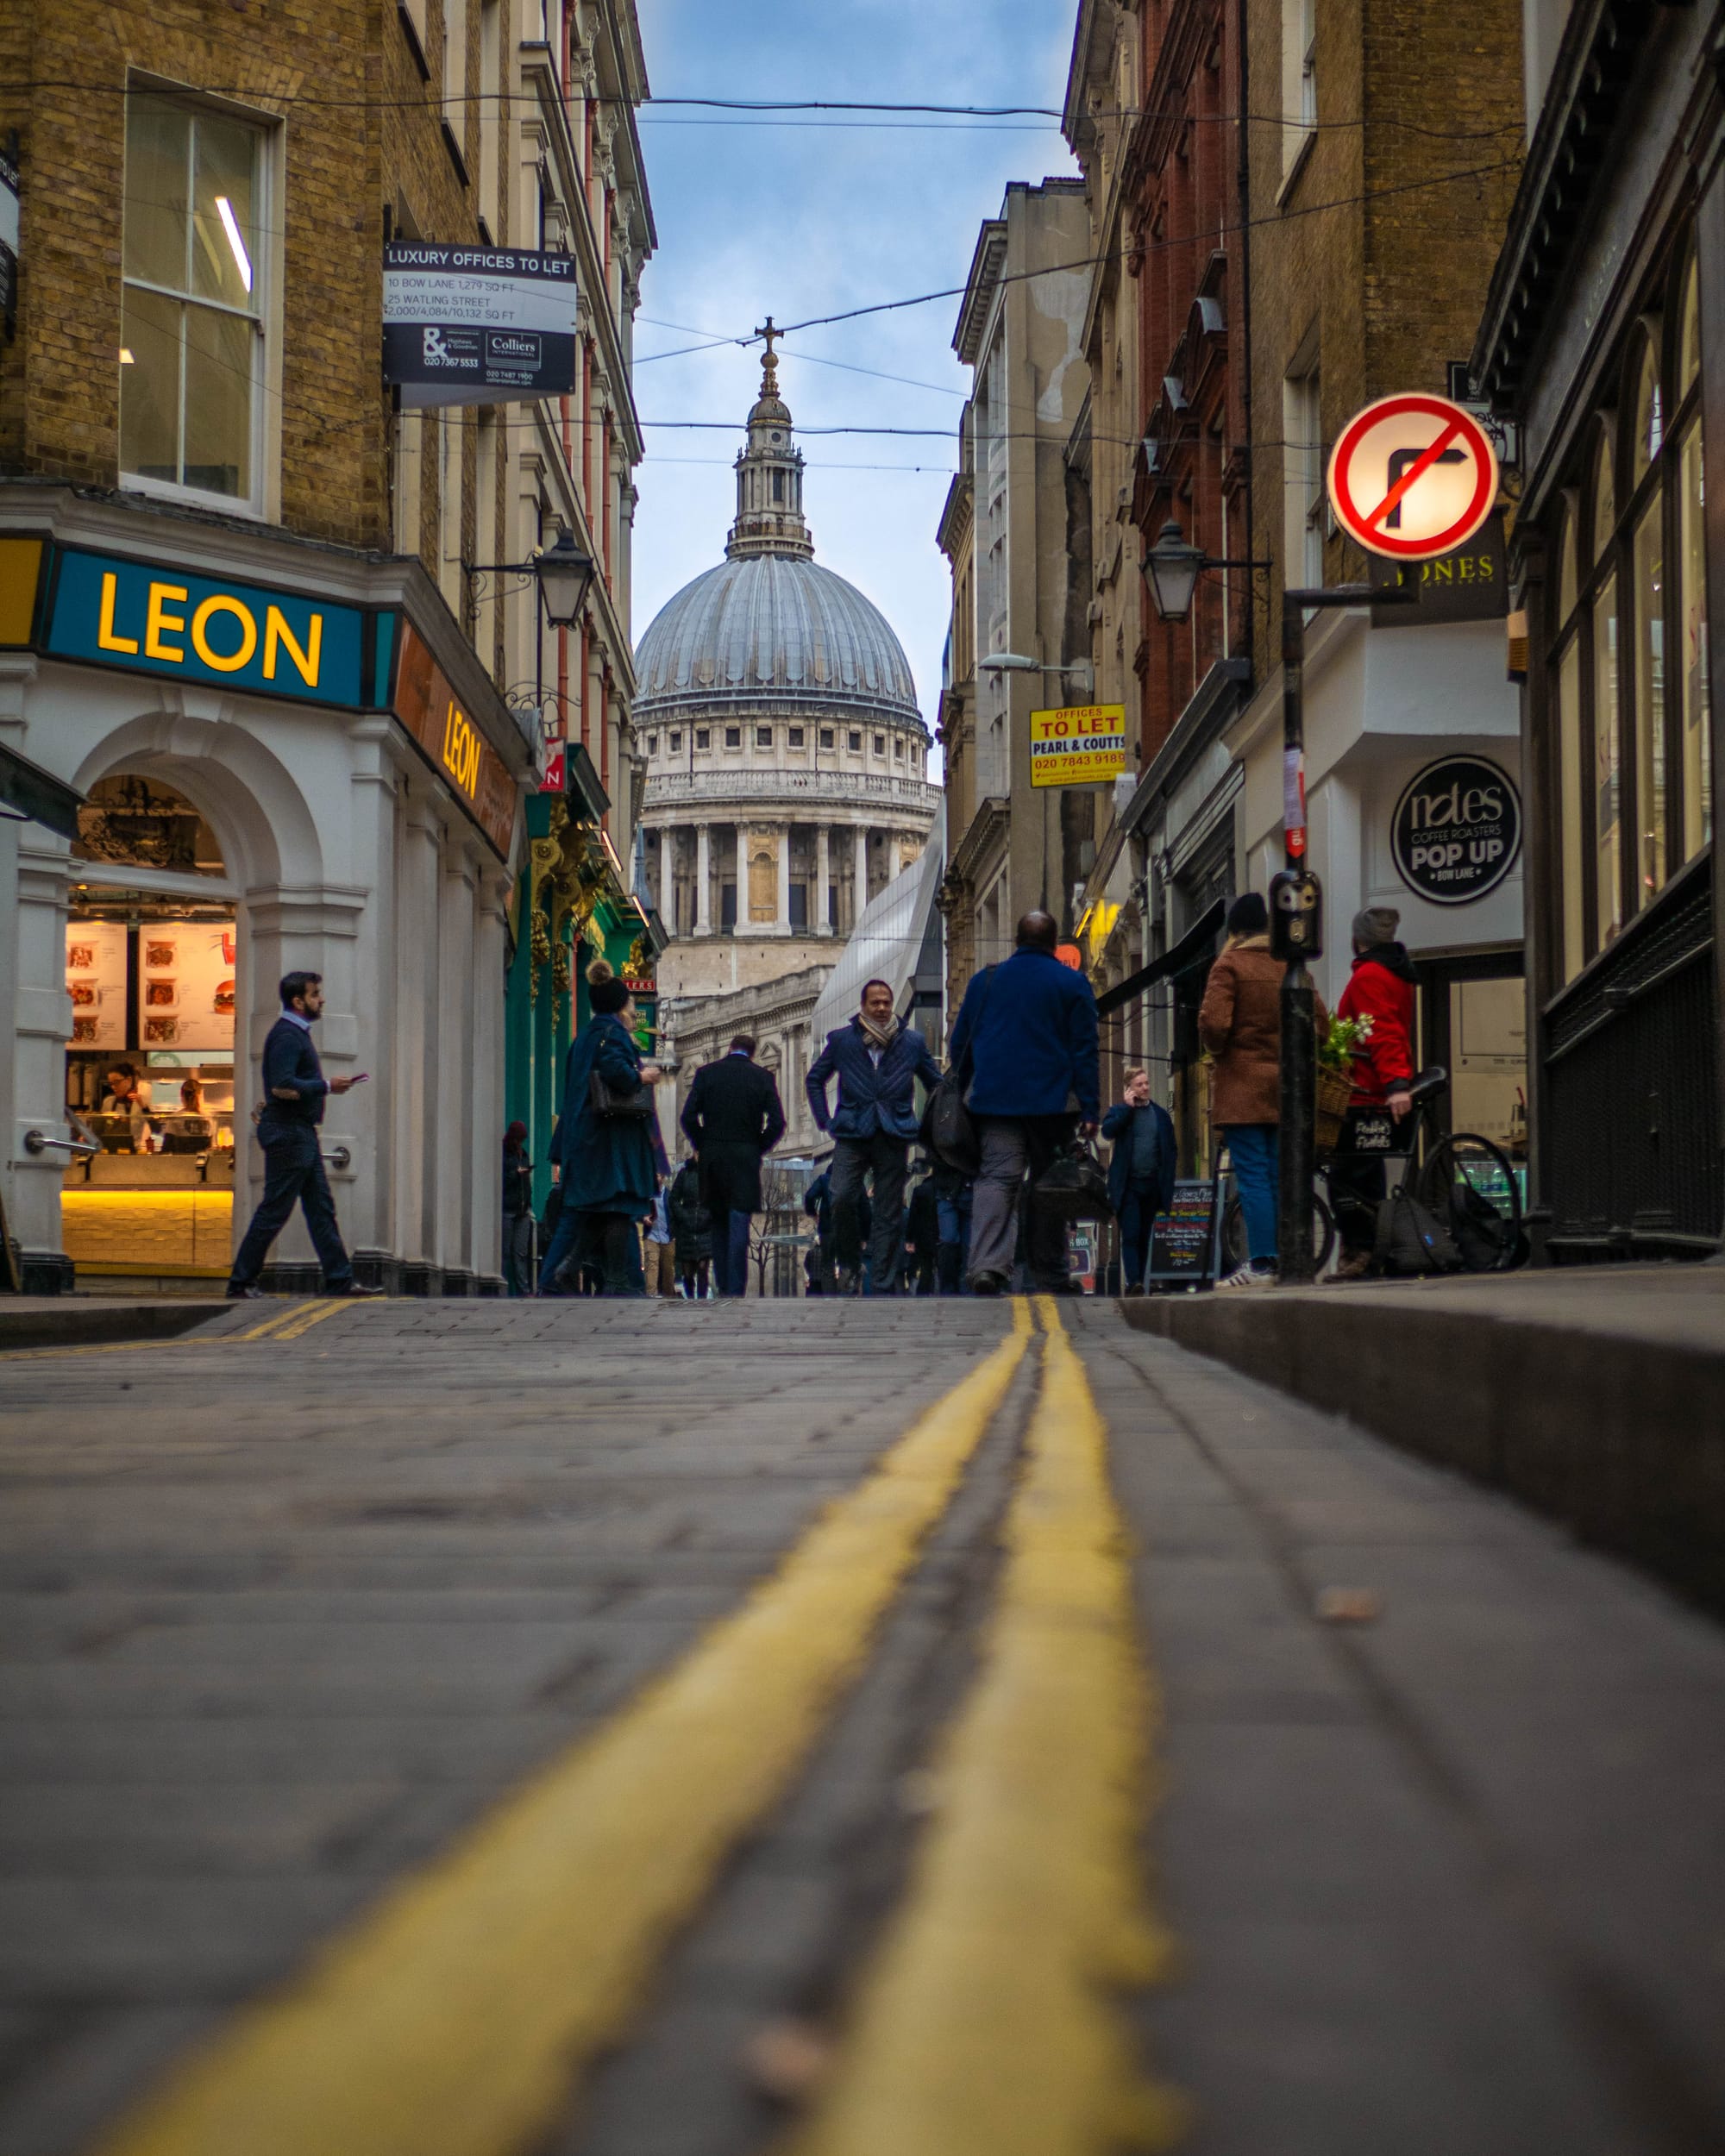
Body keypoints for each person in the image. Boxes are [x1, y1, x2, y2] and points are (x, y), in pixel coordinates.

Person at [948, 910, 1100, 1296]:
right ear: (1053, 944)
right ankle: (1050, 1274)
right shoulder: (1072, 983)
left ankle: (987, 1267)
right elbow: (1085, 1050)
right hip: (1053, 1105)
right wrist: (1090, 1108)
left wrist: (966, 1090)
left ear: (1016, 940)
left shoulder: (986, 980)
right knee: (1050, 1186)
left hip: (995, 1102)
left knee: (997, 1180)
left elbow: (959, 1045)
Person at [227, 970, 379, 1299]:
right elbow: (282, 1085)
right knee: (274, 1210)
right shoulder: (286, 1036)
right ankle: (241, 1282)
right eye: (314, 994)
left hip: (300, 1134)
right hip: (289, 1134)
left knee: (320, 1208)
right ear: (298, 1001)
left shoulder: (296, 1034)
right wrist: (326, 1087)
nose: (321, 999)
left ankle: (339, 1280)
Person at [1197, 892, 1310, 1291]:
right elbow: (1320, 1023)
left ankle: (1262, 1262)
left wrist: (1216, 1050)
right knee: (1282, 1175)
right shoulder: (1289, 964)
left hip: (1242, 1088)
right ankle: (1286, 1258)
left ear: (1235, 930)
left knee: (1254, 1177)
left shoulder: (1229, 964)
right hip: (1285, 1090)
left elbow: (1213, 1025)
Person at [806, 980, 944, 1295]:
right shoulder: (842, 1041)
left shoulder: (912, 1042)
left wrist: (924, 1125)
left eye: (885, 1002)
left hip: (893, 1133)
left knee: (888, 1210)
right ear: (863, 1006)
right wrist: (825, 1121)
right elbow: (815, 1079)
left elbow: (936, 1083)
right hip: (851, 1131)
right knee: (840, 1197)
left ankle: (881, 1282)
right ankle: (852, 1264)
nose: (881, 1008)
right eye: (874, 1003)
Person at [537, 960, 662, 1296]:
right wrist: (643, 1076)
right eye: (631, 1003)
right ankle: (583, 1280)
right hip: (608, 1140)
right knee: (613, 1208)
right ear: (619, 1004)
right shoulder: (614, 1034)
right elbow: (617, 1072)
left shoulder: (584, 1038)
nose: (634, 1009)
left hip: (583, 1137)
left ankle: (579, 1278)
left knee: (587, 1213)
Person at [1330, 906, 1418, 1279]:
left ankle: (1361, 1252)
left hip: (1365, 1094)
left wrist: (1396, 1084)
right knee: (1367, 1174)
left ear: (1357, 940)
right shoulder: (1396, 974)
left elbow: (1381, 1032)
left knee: (1346, 1176)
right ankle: (1367, 1251)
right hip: (1371, 1091)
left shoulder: (1369, 976)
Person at [679, 1035, 786, 1297]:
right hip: (745, 1158)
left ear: (729, 1049)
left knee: (717, 1223)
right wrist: (757, 1147)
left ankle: (723, 1285)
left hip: (713, 1158)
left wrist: (703, 1143)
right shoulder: (762, 1077)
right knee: (739, 1222)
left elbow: (688, 1117)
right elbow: (777, 1122)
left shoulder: (706, 1074)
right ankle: (735, 1290)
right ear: (753, 1053)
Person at [1101, 1067, 1176, 1295]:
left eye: (1146, 1083)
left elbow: (1171, 1149)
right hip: (1129, 1185)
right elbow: (1107, 1132)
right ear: (1129, 1089)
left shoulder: (1160, 1115)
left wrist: (1166, 1179)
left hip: (1152, 1184)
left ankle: (1140, 1280)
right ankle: (1133, 1280)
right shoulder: (1119, 1112)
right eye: (1139, 1085)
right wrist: (1126, 1109)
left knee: (1144, 1235)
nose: (1145, 1088)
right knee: (1131, 1233)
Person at [668, 1155, 712, 1299]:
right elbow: (673, 1198)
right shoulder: (684, 1173)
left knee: (703, 1268)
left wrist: (709, 1215)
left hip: (705, 1227)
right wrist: (683, 1215)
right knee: (687, 1270)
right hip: (686, 1227)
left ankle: (702, 1300)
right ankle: (691, 1299)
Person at [502, 1121, 534, 1295]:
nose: (519, 1143)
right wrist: (516, 1174)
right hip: (508, 1208)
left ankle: (524, 1289)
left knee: (521, 1253)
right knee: (506, 1252)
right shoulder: (504, 1154)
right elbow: (502, 1179)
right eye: (518, 1139)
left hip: (523, 1210)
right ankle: (505, 1288)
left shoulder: (524, 1154)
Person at [904, 1159, 940, 1296]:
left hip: (922, 1237)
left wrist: (909, 1239)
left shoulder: (920, 1190)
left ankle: (923, 1292)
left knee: (926, 1267)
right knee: (941, 1264)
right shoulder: (942, 1189)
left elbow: (913, 1216)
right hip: (940, 1233)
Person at [100, 1062, 149, 1149]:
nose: (113, 1087)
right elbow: (100, 1128)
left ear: (129, 1080)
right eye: (111, 1084)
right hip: (109, 1150)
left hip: (134, 1151)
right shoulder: (108, 1102)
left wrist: (144, 1108)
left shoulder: (139, 1102)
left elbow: (156, 1129)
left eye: (117, 1082)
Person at [642, 1180, 677, 1298]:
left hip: (667, 1236)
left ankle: (669, 1297)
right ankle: (651, 1295)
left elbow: (675, 1214)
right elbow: (638, 1211)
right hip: (651, 1235)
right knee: (652, 1264)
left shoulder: (669, 1194)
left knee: (668, 1270)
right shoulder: (646, 1194)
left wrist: (674, 1233)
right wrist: (643, 1216)